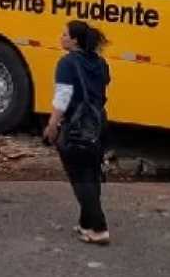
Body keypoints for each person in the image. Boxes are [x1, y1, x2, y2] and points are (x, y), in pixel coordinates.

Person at [43, 20, 111, 245]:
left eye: (64, 34)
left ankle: (99, 227)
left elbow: (62, 98)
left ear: (75, 40)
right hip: (98, 125)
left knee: (80, 178)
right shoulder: (101, 63)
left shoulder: (67, 63)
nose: (61, 37)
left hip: (76, 126)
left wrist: (52, 126)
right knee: (91, 174)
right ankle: (86, 224)